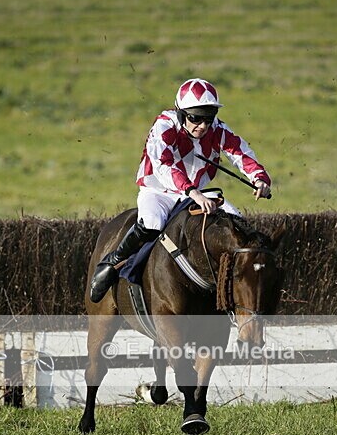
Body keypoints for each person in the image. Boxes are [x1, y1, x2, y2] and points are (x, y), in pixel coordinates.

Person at [89, 78, 272, 302]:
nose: (203, 126)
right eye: (195, 118)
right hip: (159, 191)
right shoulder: (164, 126)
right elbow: (164, 164)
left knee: (237, 226)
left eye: (208, 118)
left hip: (197, 193)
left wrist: (260, 178)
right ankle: (112, 263)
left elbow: (240, 153)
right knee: (153, 222)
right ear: (180, 113)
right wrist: (192, 192)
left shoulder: (218, 130)